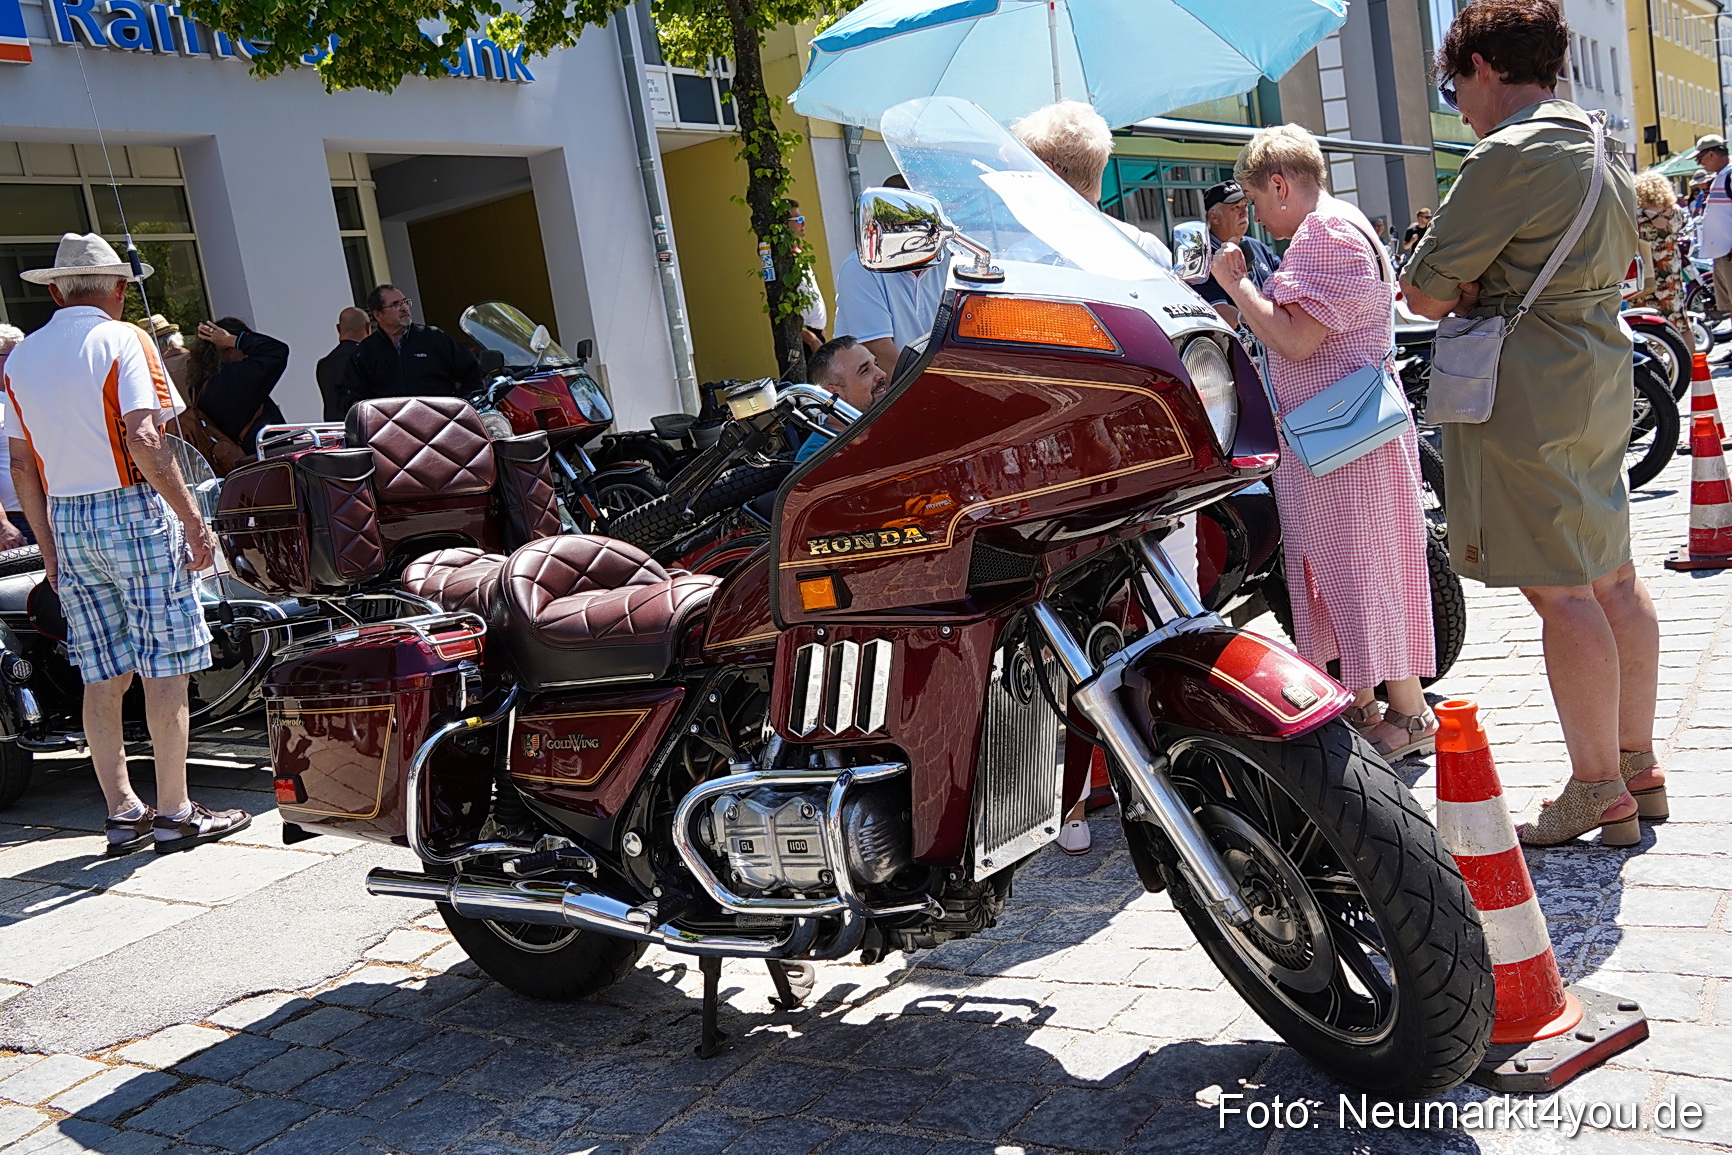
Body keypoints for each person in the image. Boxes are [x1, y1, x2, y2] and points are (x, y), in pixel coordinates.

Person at [1402, 0, 1659, 848]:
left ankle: (1596, 789)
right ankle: (1635, 764)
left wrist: (1470, 286)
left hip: (1529, 382)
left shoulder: (1506, 155)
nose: (1459, 107)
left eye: (1455, 88)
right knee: (1614, 574)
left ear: (1481, 68)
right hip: (1595, 367)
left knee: (1562, 591)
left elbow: (1426, 292)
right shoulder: (1599, 143)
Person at [1, 233, 249, 855]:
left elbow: (22, 465)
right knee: (165, 665)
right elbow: (145, 435)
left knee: (101, 670)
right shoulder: (126, 338)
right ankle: (175, 810)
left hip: (67, 518)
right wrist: (193, 518)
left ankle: (121, 811)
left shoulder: (22, 358)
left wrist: (50, 546)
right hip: (132, 507)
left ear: (56, 289)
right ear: (115, 287)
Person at [1210, 124, 1438, 761]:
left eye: (1255, 200)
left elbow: (1293, 339)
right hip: (1338, 436)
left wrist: (1237, 285)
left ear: (1280, 185)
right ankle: (1364, 701)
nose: (1254, 215)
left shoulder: (1326, 234)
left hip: (1345, 441)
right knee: (1341, 569)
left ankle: (1411, 714)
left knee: (1365, 570)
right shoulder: (1339, 225)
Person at [1010, 101, 1173, 269]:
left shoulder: (1024, 259)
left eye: (1019, 173)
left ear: (1047, 172)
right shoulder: (1145, 247)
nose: (1011, 184)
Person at [834, 175, 946, 378]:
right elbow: (882, 355)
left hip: (931, 384)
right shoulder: (861, 268)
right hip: (877, 396)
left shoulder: (952, 260)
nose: (928, 228)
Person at [338, 284, 481, 409]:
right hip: (392, 431)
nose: (404, 308)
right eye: (395, 305)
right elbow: (351, 396)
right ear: (378, 315)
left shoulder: (434, 337)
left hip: (442, 425)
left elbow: (472, 372)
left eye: (405, 302)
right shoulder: (365, 352)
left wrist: (463, 406)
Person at [185, 317, 288, 454]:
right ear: (228, 348)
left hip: (234, 462)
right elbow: (277, 350)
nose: (246, 354)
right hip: (264, 457)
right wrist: (234, 340)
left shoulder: (199, 384)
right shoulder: (235, 377)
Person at [1191, 180, 1281, 326]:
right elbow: (1220, 312)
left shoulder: (1257, 246)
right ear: (1214, 217)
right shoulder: (1202, 258)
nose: (1244, 213)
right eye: (1235, 207)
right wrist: (1271, 320)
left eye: (1245, 205)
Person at [794, 337, 887, 463]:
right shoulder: (818, 456)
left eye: (875, 364)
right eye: (865, 371)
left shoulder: (890, 420)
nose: (882, 374)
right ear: (833, 393)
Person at [1631, 171, 1688, 334]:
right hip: (1671, 273)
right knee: (1679, 321)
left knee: (1646, 323)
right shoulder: (1676, 211)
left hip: (1646, 276)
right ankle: (1686, 358)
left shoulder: (1637, 215)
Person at [0, 326, 31, 546]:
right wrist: (2, 525)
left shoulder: (24, 397)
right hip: (14, 521)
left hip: (47, 512)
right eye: (14, 355)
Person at [317, 306, 371, 422]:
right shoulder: (366, 357)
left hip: (334, 431)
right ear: (368, 327)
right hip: (362, 428)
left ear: (338, 328)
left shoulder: (324, 364)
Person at [787, 201, 827, 354]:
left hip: (816, 336)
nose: (803, 222)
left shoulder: (797, 253)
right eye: (797, 219)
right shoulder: (784, 260)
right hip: (806, 341)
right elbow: (776, 311)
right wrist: (811, 339)